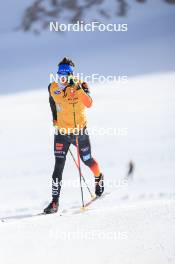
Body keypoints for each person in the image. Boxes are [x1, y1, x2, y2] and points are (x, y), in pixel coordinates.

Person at [44, 57, 104, 214]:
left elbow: (89, 104)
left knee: (87, 160)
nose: (62, 79)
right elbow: (52, 101)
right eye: (59, 75)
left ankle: (99, 177)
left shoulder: (81, 85)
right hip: (62, 133)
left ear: (71, 75)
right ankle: (55, 202)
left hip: (79, 132)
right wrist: (55, 118)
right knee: (58, 166)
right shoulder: (52, 87)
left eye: (65, 75)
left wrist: (78, 89)